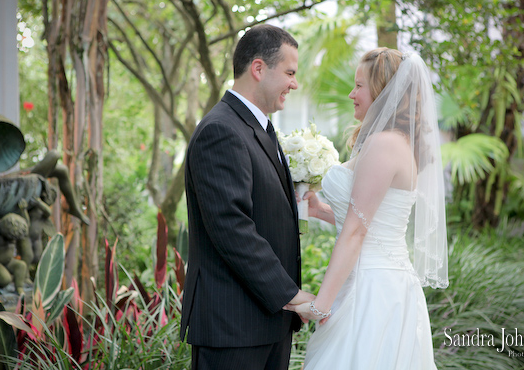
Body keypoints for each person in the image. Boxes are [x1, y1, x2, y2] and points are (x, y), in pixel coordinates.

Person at [285, 48, 449, 369]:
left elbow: (357, 231)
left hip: (371, 291)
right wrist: (319, 210)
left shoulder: (384, 143)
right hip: (381, 282)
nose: (351, 94)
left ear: (384, 90)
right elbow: (371, 220)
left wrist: (322, 304)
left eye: (359, 85)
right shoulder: (396, 141)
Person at [180, 24, 315, 370]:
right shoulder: (221, 130)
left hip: (267, 324)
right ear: (258, 68)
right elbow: (231, 226)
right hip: (233, 329)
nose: (294, 84)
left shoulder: (260, 129)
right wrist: (290, 294)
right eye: (289, 72)